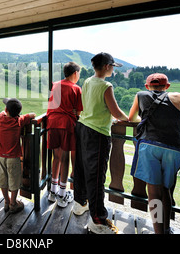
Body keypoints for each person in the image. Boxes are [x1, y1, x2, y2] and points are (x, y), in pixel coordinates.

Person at [129, 73, 180, 234]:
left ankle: (158, 232)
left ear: (147, 86)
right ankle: (167, 228)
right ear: (167, 86)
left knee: (154, 192)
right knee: (166, 190)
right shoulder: (179, 96)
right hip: (174, 148)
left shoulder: (140, 95)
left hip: (149, 145)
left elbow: (131, 117)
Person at [74, 52, 128, 234]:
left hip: (82, 127)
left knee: (81, 169)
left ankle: (80, 203)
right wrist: (126, 118)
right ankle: (97, 221)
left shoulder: (88, 81)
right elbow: (116, 111)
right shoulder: (106, 86)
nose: (113, 69)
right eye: (112, 66)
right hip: (97, 133)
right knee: (96, 176)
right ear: (106, 66)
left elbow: (88, 105)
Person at [46, 62, 83, 208]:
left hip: (52, 122)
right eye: (79, 73)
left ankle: (52, 191)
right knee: (65, 159)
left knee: (57, 157)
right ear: (75, 73)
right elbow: (79, 111)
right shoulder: (75, 88)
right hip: (67, 124)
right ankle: (62, 194)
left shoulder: (55, 85)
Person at [0, 98, 36, 214]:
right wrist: (21, 115)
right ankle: (13, 203)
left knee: (3, 180)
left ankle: (6, 201)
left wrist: (4, 112)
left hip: (1, 156)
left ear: (6, 109)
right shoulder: (19, 121)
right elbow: (33, 114)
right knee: (14, 180)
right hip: (13, 157)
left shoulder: (1, 118)